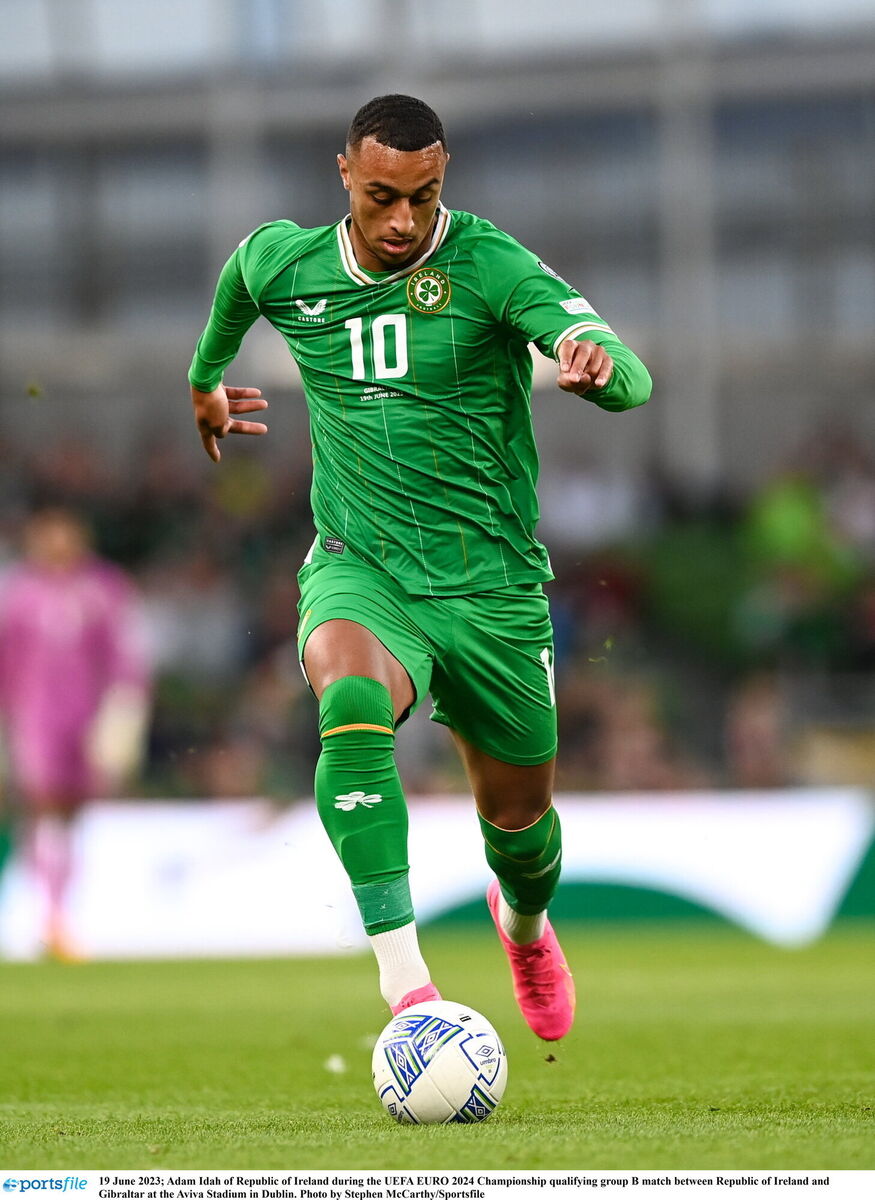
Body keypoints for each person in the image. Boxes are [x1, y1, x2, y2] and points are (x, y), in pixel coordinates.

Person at [189, 95, 651, 1040]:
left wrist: (591, 361)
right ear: (345, 178)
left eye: (424, 196)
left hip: (492, 590)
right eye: (382, 197)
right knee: (348, 703)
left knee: (522, 836)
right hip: (365, 570)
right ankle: (409, 993)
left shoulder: (488, 263)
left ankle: (522, 925)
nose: (403, 220)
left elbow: (630, 375)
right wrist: (204, 380)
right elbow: (239, 280)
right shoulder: (290, 260)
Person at [0, 508, 151, 959]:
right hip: (34, 718)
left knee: (72, 813)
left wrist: (125, 710)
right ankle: (51, 916)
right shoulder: (18, 594)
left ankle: (59, 913)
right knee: (42, 805)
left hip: (90, 717)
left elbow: (126, 654)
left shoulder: (104, 588)